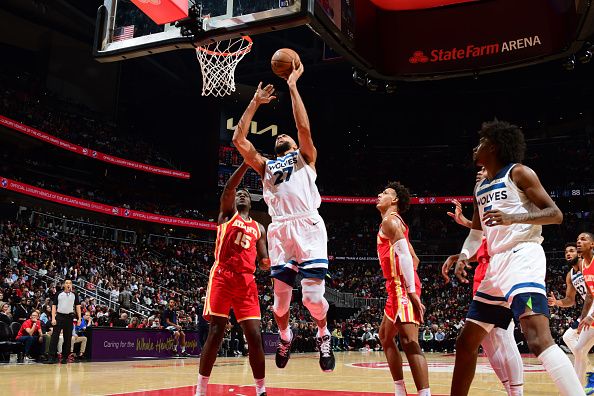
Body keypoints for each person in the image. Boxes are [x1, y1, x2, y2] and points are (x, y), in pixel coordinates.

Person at [450, 120, 583, 396]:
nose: (476, 147)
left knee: (536, 337)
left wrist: (514, 217)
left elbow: (555, 214)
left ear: (494, 146)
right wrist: (463, 255)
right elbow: (476, 234)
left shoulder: (519, 173)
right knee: (466, 342)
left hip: (523, 255)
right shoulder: (480, 187)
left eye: (481, 142)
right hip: (496, 266)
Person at [232, 62, 335, 372]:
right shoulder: (265, 166)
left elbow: (303, 128)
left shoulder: (305, 157)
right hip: (279, 230)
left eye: (286, 137)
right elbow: (239, 141)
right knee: (279, 305)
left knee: (313, 300)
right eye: (280, 138)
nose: (283, 137)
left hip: (308, 224)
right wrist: (254, 102)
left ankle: (323, 334)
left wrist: (292, 86)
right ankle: (285, 336)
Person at [442, 180, 524, 396]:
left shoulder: (504, 191)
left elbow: (495, 235)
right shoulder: (483, 198)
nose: (479, 172)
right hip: (483, 278)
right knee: (485, 342)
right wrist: (459, 252)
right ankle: (510, 390)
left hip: (501, 274)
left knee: (504, 334)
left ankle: (517, 393)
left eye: (483, 169)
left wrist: (467, 223)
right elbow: (483, 240)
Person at [197, 162, 269, 396]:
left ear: (252, 202)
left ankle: (261, 390)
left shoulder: (259, 227)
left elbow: (263, 257)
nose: (241, 194)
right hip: (223, 276)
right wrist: (247, 164)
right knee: (216, 331)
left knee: (255, 336)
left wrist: (267, 262)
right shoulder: (228, 214)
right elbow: (229, 188)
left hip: (246, 282)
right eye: (239, 193)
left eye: (245, 194)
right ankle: (201, 390)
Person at [375, 182, 430, 396]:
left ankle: (424, 394)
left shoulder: (390, 222)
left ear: (395, 200)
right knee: (385, 337)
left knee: (409, 341)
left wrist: (411, 291)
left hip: (401, 287)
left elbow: (408, 258)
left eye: (386, 193)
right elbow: (415, 258)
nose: (380, 194)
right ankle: (400, 391)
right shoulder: (396, 224)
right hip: (396, 286)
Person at [548, 242, 586, 357]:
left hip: (590, 309)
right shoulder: (570, 275)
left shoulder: (588, 265)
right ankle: (588, 367)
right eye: (566, 252)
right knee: (568, 337)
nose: (568, 254)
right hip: (590, 309)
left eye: (571, 251)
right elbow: (570, 300)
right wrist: (556, 302)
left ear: (579, 254)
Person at [573, 233, 594, 392]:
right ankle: (576, 389)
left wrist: (591, 316)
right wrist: (582, 318)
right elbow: (589, 295)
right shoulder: (582, 265)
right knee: (579, 348)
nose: (579, 242)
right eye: (578, 240)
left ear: (592, 244)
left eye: (583, 239)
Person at [46, 279, 82, 364]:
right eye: (66, 283)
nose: (68, 284)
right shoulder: (59, 294)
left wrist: (79, 318)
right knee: (55, 337)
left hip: (69, 317)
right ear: (64, 285)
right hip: (59, 316)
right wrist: (53, 318)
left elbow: (78, 307)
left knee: (68, 338)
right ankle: (51, 357)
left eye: (70, 283)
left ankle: (65, 357)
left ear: (72, 285)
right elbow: (54, 306)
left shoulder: (74, 295)